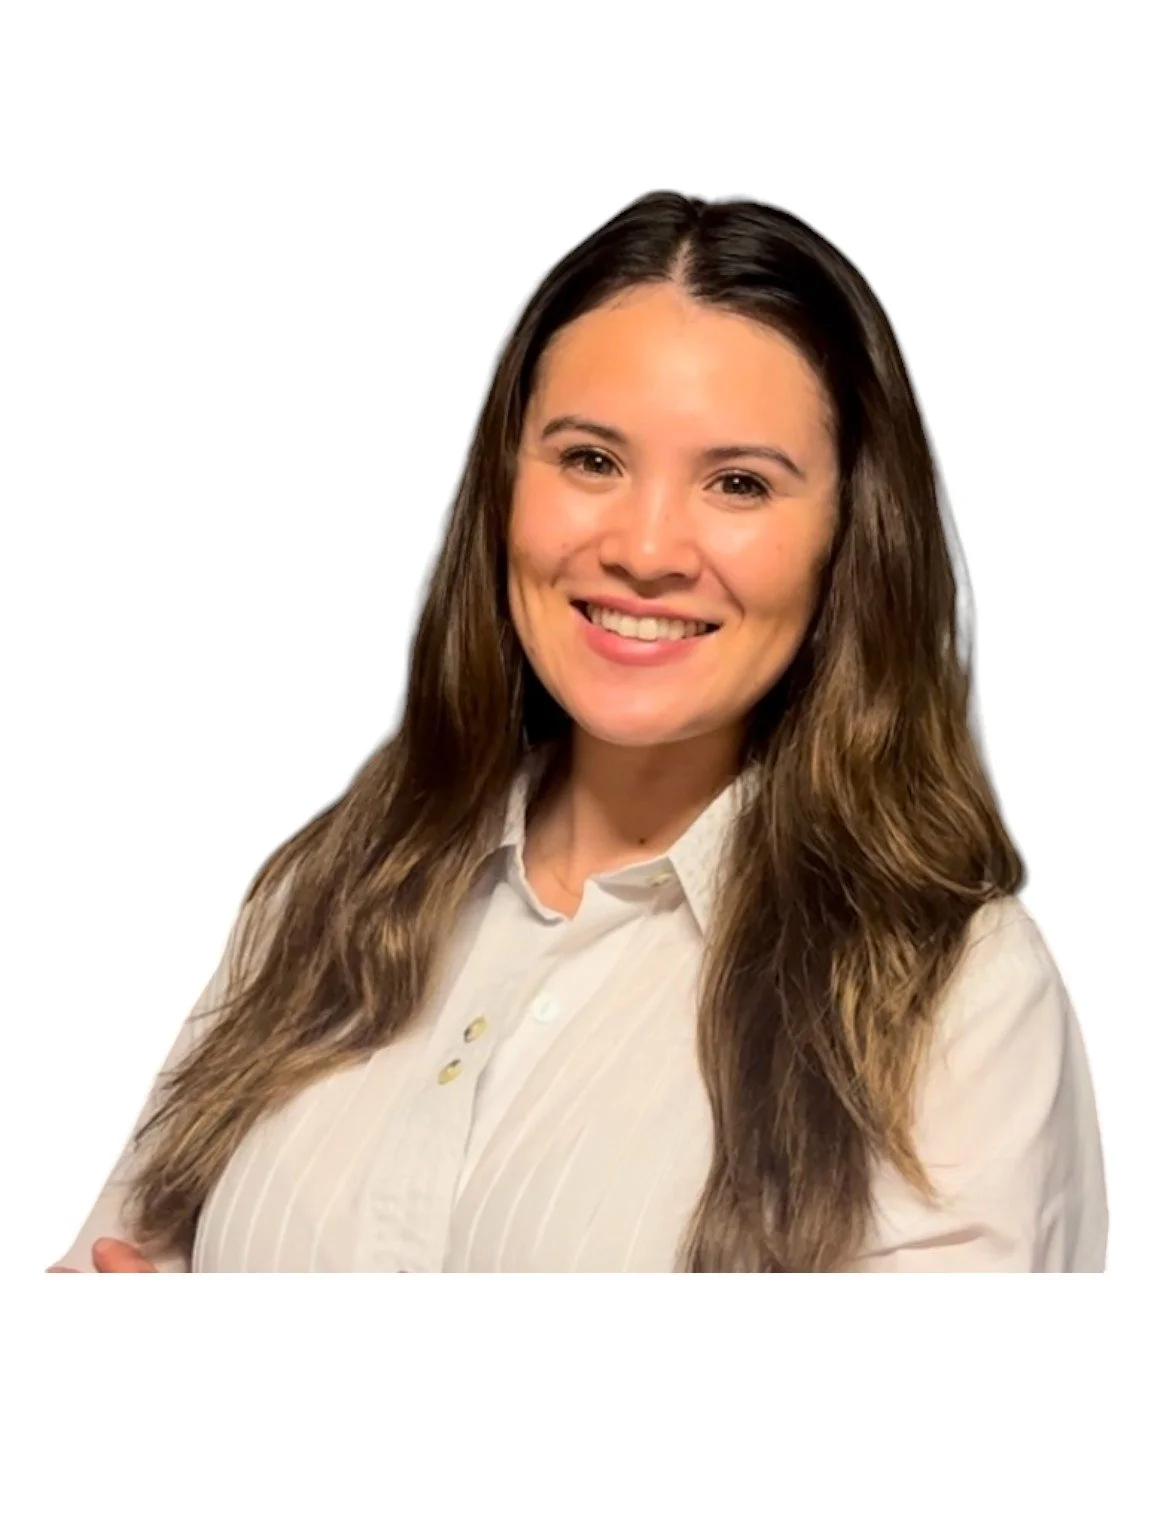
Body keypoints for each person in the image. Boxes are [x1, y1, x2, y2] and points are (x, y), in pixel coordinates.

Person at [49, 190, 1107, 1274]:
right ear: (506, 483)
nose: (645, 548)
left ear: (849, 537)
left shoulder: (953, 996)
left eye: (737, 483)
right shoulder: (325, 894)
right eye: (591, 459)